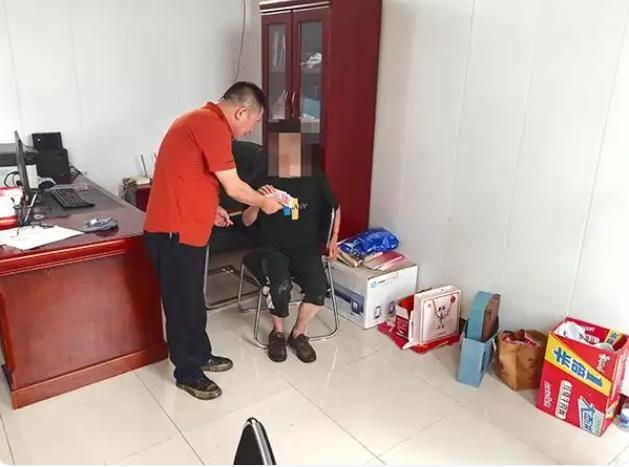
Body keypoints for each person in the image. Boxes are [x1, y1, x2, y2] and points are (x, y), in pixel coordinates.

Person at [144, 82, 282, 400]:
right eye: (253, 122)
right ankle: (187, 372)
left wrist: (212, 208)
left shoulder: (201, 121)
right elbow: (234, 186)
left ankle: (200, 354)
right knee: (182, 304)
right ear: (241, 111)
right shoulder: (210, 124)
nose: (250, 130)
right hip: (174, 232)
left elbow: (191, 177)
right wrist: (264, 202)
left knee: (193, 300)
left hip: (186, 229)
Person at [241, 127, 341, 363]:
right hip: (273, 246)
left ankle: (298, 333)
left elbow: (335, 207)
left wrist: (334, 237)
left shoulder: (314, 175)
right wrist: (258, 201)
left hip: (306, 247)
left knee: (318, 288)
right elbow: (246, 221)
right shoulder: (265, 177)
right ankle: (277, 333)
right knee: (280, 287)